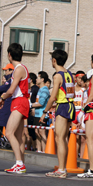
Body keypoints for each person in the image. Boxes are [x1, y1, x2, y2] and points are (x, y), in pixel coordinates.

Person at [39, 50, 75, 178]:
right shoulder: (70, 74)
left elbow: (52, 96)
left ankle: (61, 169)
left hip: (63, 106)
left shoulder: (57, 76)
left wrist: (45, 112)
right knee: (64, 139)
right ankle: (62, 168)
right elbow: (70, 93)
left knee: (59, 139)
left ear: (54, 60)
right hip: (70, 105)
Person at [0, 43, 30, 174]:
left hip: (19, 101)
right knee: (18, 136)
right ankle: (21, 163)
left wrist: (2, 99)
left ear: (9, 55)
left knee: (9, 133)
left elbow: (11, 89)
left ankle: (19, 163)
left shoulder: (18, 69)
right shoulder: (22, 68)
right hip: (22, 101)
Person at [31, 71, 50, 152]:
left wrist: (31, 105)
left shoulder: (45, 89)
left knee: (42, 132)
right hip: (37, 114)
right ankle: (39, 150)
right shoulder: (40, 89)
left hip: (42, 114)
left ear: (42, 79)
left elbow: (41, 103)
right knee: (36, 131)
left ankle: (45, 150)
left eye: (38, 77)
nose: (36, 79)